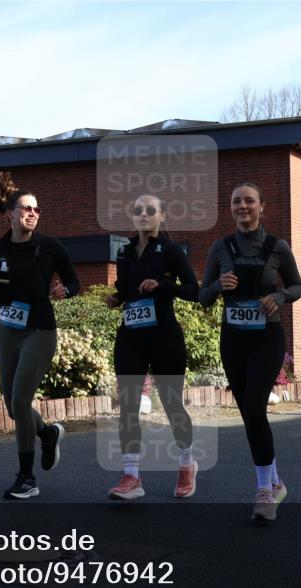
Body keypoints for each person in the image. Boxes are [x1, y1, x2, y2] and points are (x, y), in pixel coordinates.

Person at [0, 172, 79, 498]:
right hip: (8, 331)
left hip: (40, 331)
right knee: (13, 408)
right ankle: (47, 434)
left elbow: (73, 282)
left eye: (36, 210)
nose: (32, 213)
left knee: (19, 399)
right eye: (26, 208)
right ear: (10, 214)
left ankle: (27, 478)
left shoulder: (50, 248)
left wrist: (64, 290)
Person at [200, 183, 301, 521]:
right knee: (249, 413)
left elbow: (297, 285)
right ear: (230, 209)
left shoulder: (278, 247)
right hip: (233, 339)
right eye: (236, 202)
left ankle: (263, 491)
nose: (242, 206)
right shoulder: (220, 247)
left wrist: (280, 297)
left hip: (267, 337)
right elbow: (202, 297)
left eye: (249, 201)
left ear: (262, 207)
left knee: (256, 408)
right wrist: (219, 286)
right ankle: (275, 481)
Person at [105, 194, 200, 500]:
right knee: (128, 406)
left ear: (162, 216)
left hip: (164, 337)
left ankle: (187, 463)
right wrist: (116, 298)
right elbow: (125, 288)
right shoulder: (125, 252)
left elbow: (194, 291)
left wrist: (163, 285)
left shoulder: (171, 251)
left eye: (150, 210)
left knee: (172, 404)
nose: (143, 215)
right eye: (138, 211)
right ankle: (131, 476)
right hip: (131, 335)